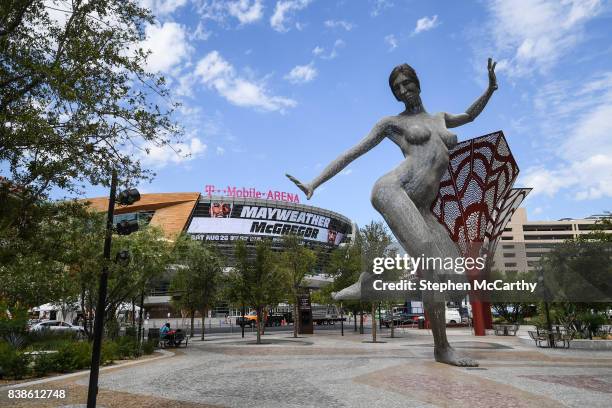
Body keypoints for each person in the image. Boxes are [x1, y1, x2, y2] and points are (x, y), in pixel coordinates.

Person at [287, 59, 498, 367]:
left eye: (406, 83)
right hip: (393, 190)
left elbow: (469, 115)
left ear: (418, 83)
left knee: (455, 278)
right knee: (430, 264)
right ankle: (443, 348)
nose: (403, 90)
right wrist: (314, 182)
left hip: (422, 209)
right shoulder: (392, 122)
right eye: (397, 88)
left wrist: (490, 89)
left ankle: (371, 284)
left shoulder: (439, 118)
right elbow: (353, 151)